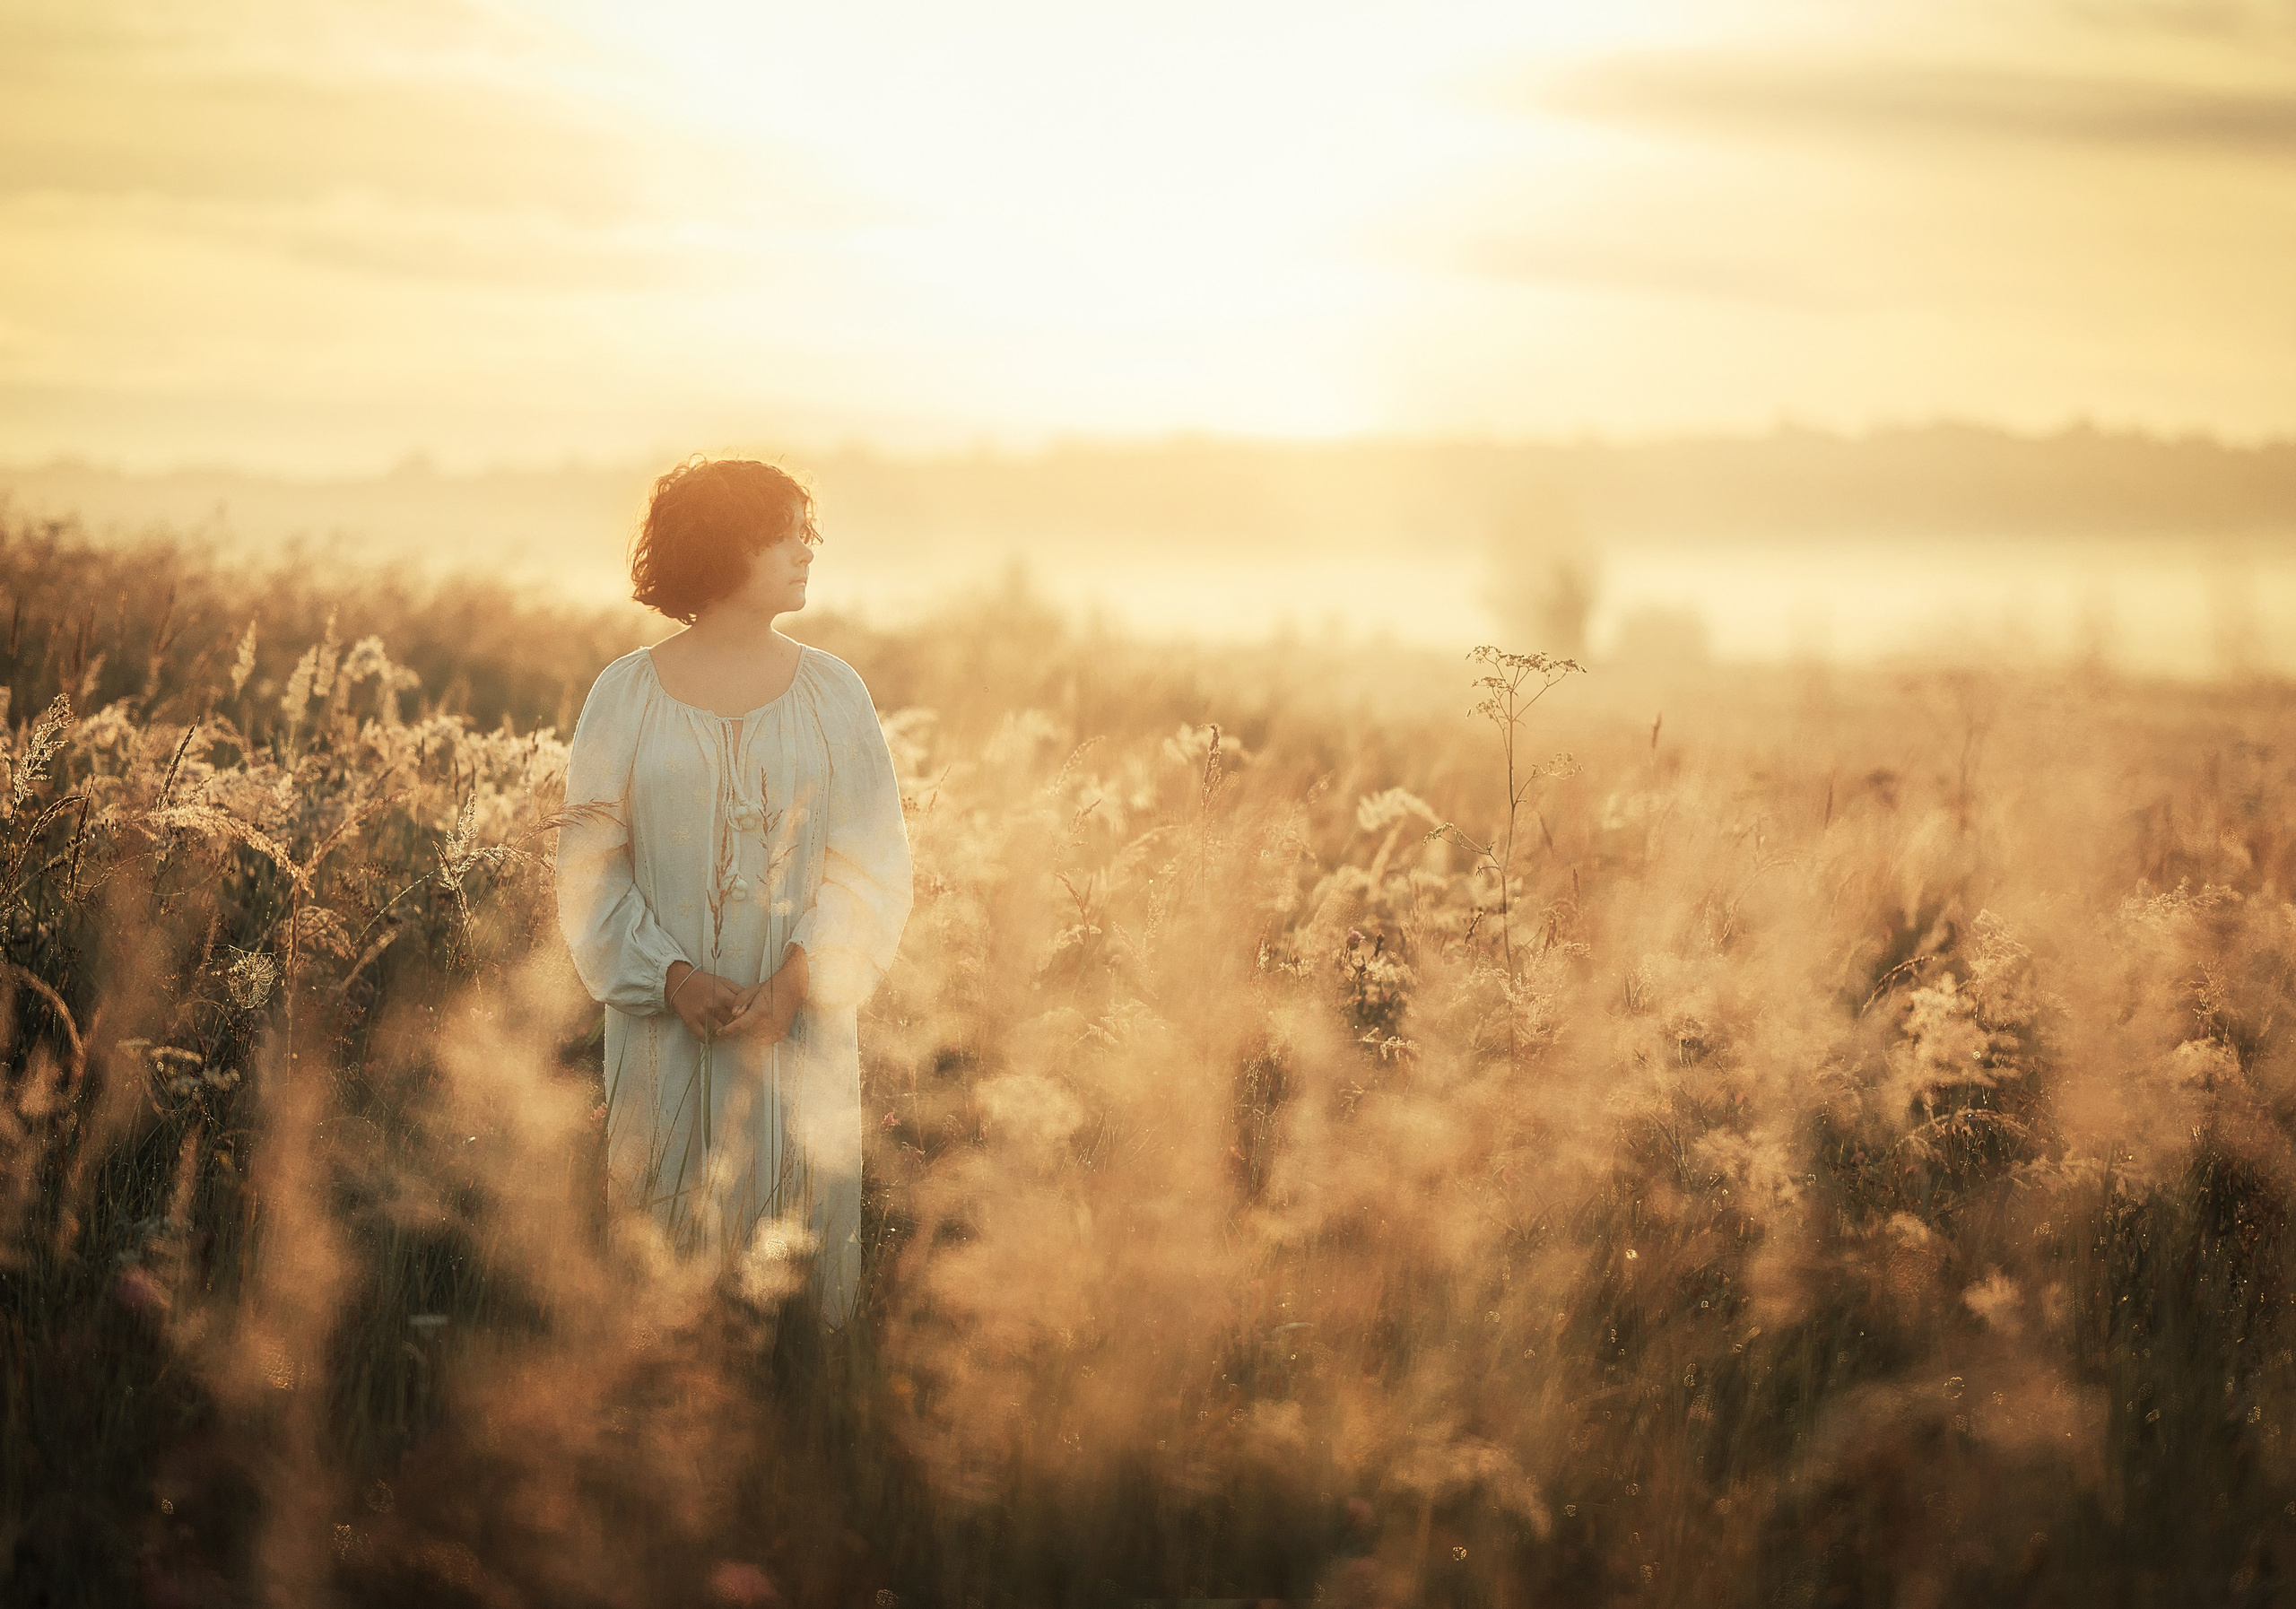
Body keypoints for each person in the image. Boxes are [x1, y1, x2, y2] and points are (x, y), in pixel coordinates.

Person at [554, 457, 912, 1326]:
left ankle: (801, 1414)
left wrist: (797, 984)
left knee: (794, 1269)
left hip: (799, 1034)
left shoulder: (835, 692)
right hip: (662, 1034)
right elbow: (590, 867)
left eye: (807, 532)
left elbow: (868, 860)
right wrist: (672, 980)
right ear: (719, 547)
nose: (806, 550)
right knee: (668, 1270)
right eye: (782, 533)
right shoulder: (624, 696)